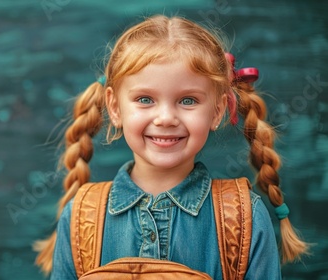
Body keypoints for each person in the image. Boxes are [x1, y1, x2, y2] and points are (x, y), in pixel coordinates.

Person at [34, 15, 308, 279]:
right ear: (115, 108)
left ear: (217, 110)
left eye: (188, 100)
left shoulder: (244, 216)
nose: (165, 118)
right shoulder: (81, 216)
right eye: (144, 99)